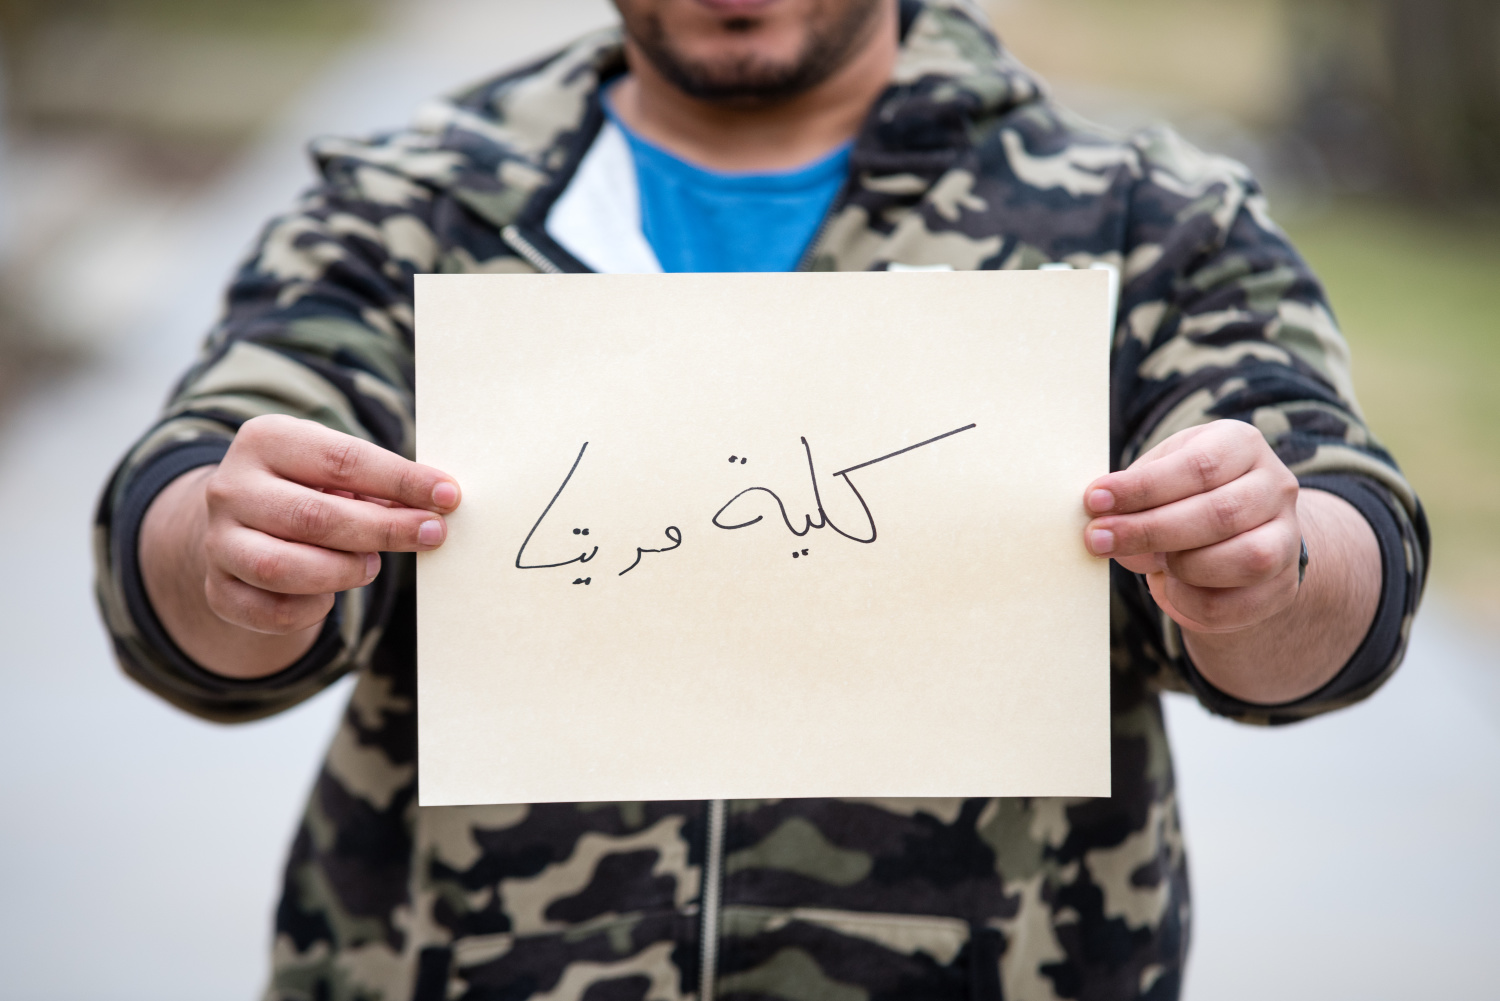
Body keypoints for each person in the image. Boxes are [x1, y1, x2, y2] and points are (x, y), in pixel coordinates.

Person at [94, 0, 1428, 998]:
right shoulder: (410, 205)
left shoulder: (1144, 220)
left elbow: (1334, 548)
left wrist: (1272, 566)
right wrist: (224, 552)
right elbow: (194, 535)